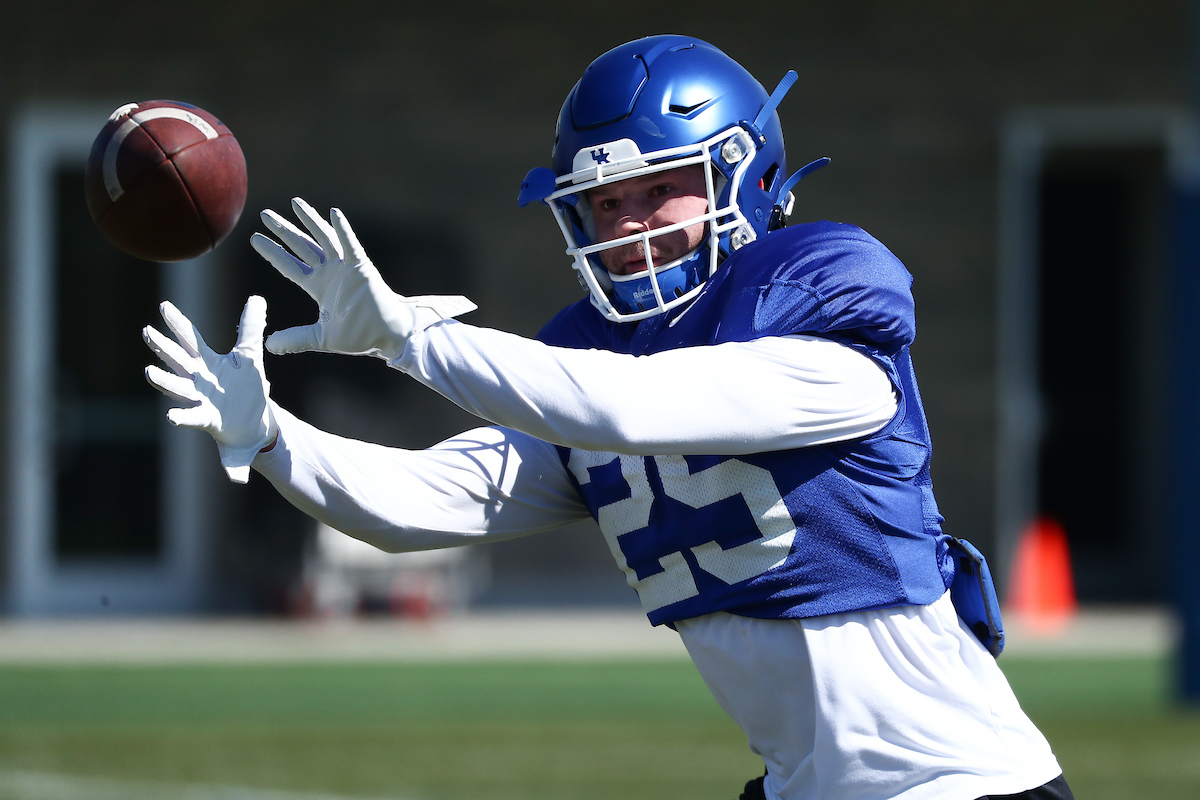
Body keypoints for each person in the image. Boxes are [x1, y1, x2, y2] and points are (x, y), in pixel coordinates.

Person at [143, 35, 1073, 800]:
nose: (627, 225)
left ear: (739, 174)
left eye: (656, 190)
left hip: (966, 784)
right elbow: (428, 500)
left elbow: (634, 408)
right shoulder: (589, 359)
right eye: (603, 204)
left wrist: (409, 339)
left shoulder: (825, 305)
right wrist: (272, 437)